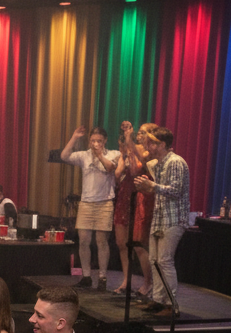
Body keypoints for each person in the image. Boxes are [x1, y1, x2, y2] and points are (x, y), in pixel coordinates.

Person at [134, 126, 191, 316]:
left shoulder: (175, 162)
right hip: (160, 218)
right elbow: (145, 160)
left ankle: (171, 305)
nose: (148, 146)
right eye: (148, 142)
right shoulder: (158, 163)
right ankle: (158, 300)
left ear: (163, 144)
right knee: (154, 260)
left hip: (173, 219)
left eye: (152, 143)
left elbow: (175, 190)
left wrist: (152, 185)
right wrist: (148, 185)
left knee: (165, 261)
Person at [60, 125, 120, 290]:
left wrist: (99, 154)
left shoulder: (114, 154)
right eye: (93, 141)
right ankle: (86, 276)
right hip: (86, 202)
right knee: (84, 241)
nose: (95, 144)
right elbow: (64, 156)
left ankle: (102, 277)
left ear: (105, 141)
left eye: (99, 141)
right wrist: (74, 137)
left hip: (105, 202)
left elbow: (110, 168)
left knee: (101, 241)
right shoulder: (84, 155)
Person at [111, 121, 156, 297]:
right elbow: (117, 174)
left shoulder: (149, 152)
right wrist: (124, 154)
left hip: (142, 197)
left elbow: (139, 165)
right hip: (125, 195)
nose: (140, 135)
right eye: (140, 132)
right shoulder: (132, 149)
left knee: (139, 244)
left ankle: (148, 282)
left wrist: (129, 143)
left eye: (143, 133)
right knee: (121, 243)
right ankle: (126, 280)